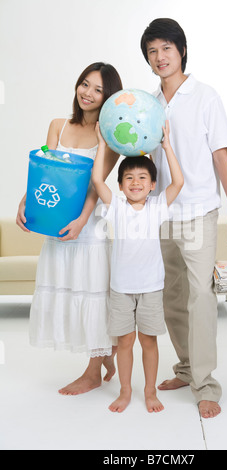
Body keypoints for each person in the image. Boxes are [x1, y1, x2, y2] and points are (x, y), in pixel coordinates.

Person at [140, 18, 227, 418]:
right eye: (152, 51)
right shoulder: (147, 104)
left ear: (181, 50)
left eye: (166, 48)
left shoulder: (206, 96)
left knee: (201, 295)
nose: (159, 57)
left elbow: (221, 155)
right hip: (161, 212)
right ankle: (185, 367)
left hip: (200, 209)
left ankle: (206, 384)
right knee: (171, 297)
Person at [16, 62, 123, 395]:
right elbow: (44, 170)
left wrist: (82, 221)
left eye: (98, 89)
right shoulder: (57, 127)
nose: (88, 93)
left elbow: (96, 184)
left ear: (108, 97)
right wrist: (25, 202)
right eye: (85, 84)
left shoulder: (110, 137)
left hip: (88, 229)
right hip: (56, 225)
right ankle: (104, 355)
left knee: (90, 293)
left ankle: (92, 371)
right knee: (66, 288)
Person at [92, 120, 184, 412]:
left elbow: (179, 183)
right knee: (125, 341)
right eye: (128, 178)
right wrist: (104, 145)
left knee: (148, 341)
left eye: (142, 178)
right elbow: (97, 181)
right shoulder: (116, 206)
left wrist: (167, 146)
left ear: (152, 184)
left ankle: (149, 391)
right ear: (120, 185)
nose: (135, 183)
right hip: (121, 288)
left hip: (151, 288)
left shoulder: (157, 207)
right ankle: (125, 391)